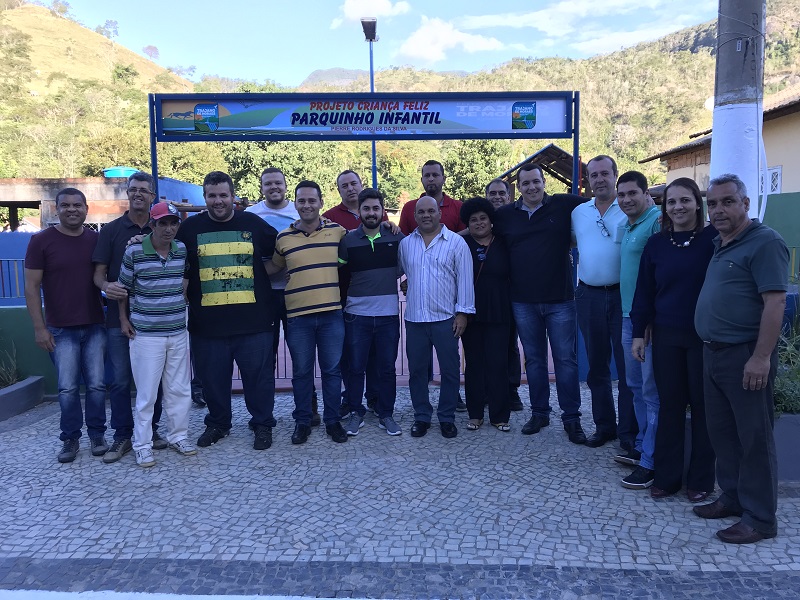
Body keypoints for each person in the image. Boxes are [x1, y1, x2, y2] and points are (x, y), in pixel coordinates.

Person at [693, 173, 789, 544]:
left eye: (727, 202)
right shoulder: (722, 243)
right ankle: (733, 498)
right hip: (713, 352)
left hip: (744, 356)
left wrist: (761, 357)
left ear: (745, 204)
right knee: (724, 434)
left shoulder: (765, 243)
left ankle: (761, 518)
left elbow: (775, 301)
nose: (718, 209)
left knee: (753, 438)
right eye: (712, 203)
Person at [176, 171, 278, 451]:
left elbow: (285, 249)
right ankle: (218, 424)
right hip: (207, 326)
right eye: (212, 195)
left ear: (233, 196)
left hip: (254, 322)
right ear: (205, 197)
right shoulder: (188, 230)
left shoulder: (255, 224)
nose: (218, 201)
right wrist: (139, 240)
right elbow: (162, 247)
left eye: (223, 195)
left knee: (259, 381)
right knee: (212, 382)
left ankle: (262, 425)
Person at [630, 178, 716, 501]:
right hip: (665, 335)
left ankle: (701, 480)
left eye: (685, 200)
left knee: (704, 407)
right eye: (671, 202)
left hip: (703, 337)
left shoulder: (714, 240)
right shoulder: (657, 244)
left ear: (697, 203)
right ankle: (667, 477)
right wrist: (639, 331)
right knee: (670, 406)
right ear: (664, 207)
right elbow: (644, 292)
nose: (678, 207)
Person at [492, 163, 588, 445]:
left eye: (536, 182)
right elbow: (478, 228)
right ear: (518, 188)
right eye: (526, 184)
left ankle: (571, 418)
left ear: (544, 182)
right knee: (533, 361)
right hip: (523, 301)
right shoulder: (506, 216)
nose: (532, 187)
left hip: (560, 299)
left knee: (565, 362)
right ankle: (540, 413)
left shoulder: (563, 204)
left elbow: (600, 207)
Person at [24, 188, 107, 463]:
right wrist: (39, 328)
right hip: (60, 329)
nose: (72, 210)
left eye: (77, 205)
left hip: (95, 325)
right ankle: (70, 439)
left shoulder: (96, 240)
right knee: (68, 388)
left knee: (96, 385)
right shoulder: (41, 241)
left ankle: (97, 434)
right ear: (56, 209)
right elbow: (31, 287)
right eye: (65, 205)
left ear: (86, 208)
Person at [92, 171, 165, 464]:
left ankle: (152, 431)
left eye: (143, 190)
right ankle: (123, 434)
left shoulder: (162, 227)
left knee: (154, 380)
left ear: (152, 196)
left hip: (155, 318)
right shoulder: (110, 231)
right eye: (133, 189)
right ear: (128, 193)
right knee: (121, 380)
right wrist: (105, 285)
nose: (138, 194)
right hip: (117, 320)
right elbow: (98, 273)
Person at [268, 180, 349, 444]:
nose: (306, 205)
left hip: (331, 315)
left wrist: (388, 224)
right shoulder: (283, 237)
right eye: (301, 201)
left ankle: (333, 421)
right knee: (302, 373)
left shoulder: (338, 232)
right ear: (296, 203)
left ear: (321, 202)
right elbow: (273, 269)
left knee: (332, 371)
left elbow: (360, 245)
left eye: (311, 200)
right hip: (298, 317)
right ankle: (302, 421)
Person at [117, 202, 196, 467]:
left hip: (176, 331)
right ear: (152, 225)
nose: (169, 228)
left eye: (174, 223)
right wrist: (123, 319)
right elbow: (123, 289)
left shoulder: (181, 249)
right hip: (146, 335)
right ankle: (142, 444)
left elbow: (183, 280)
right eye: (163, 223)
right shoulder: (134, 251)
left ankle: (178, 436)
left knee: (179, 389)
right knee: (147, 394)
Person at [245, 167, 323, 426]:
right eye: (268, 183)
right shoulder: (250, 215)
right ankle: (264, 414)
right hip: (263, 297)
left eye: (278, 182)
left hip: (296, 295)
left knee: (302, 356)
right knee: (264, 358)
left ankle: (308, 407)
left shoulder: (299, 211)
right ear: (262, 187)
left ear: (286, 185)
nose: (274, 187)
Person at [572, 156, 636, 451]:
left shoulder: (630, 209)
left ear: (615, 175)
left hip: (624, 297)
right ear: (587, 180)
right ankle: (604, 426)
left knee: (626, 369)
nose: (599, 179)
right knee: (597, 367)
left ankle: (628, 431)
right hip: (589, 296)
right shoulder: (578, 212)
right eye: (593, 175)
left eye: (604, 174)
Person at [399, 196, 475, 438]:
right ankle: (421, 416)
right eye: (421, 212)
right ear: (415, 215)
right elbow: (406, 273)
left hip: (445, 319)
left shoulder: (456, 243)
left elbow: (465, 280)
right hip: (415, 319)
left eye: (431, 210)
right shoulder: (406, 244)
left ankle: (446, 417)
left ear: (439, 214)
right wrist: (407, 284)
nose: (426, 215)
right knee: (418, 372)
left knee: (450, 371)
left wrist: (462, 313)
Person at [338, 188, 404, 436]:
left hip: (387, 315)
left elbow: (408, 266)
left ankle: (386, 414)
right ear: (359, 211)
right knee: (356, 367)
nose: (371, 212)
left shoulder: (396, 238)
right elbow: (338, 273)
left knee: (387, 368)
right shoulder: (347, 241)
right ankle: (356, 412)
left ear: (382, 210)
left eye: (376, 208)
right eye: (366, 208)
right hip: (356, 316)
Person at [322, 169, 384, 416]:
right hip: (341, 296)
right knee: (349, 353)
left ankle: (375, 396)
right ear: (339, 191)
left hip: (372, 297)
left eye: (353, 183)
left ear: (361, 185)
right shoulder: (329, 218)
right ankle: (350, 397)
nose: (350, 188)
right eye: (344, 185)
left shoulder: (375, 215)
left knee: (375, 353)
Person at [616, 171, 661, 490]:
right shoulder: (628, 225)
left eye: (633, 193)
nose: (626, 199)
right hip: (628, 315)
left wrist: (649, 321)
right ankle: (643, 445)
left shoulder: (658, 222)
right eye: (622, 195)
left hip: (649, 320)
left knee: (650, 389)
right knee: (633, 384)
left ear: (647, 194)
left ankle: (652, 460)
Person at [459, 197, 512, 431]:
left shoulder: (504, 241)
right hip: (470, 312)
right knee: (474, 363)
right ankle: (475, 414)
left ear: (491, 220)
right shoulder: (460, 244)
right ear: (467, 223)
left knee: (498, 363)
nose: (479, 223)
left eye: (483, 218)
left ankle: (500, 415)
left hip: (500, 310)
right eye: (473, 219)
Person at [485, 178, 523, 412]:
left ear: (508, 196)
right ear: (487, 195)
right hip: (484, 291)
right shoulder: (481, 219)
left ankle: (511, 389)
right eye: (493, 193)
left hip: (512, 290)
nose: (498, 197)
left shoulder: (515, 218)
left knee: (510, 343)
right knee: (484, 344)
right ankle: (488, 389)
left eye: (502, 193)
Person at [398, 160, 465, 236]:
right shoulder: (409, 207)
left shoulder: (458, 207)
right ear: (422, 180)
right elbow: (402, 239)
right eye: (427, 175)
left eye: (435, 175)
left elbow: (463, 237)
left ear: (444, 179)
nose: (431, 179)